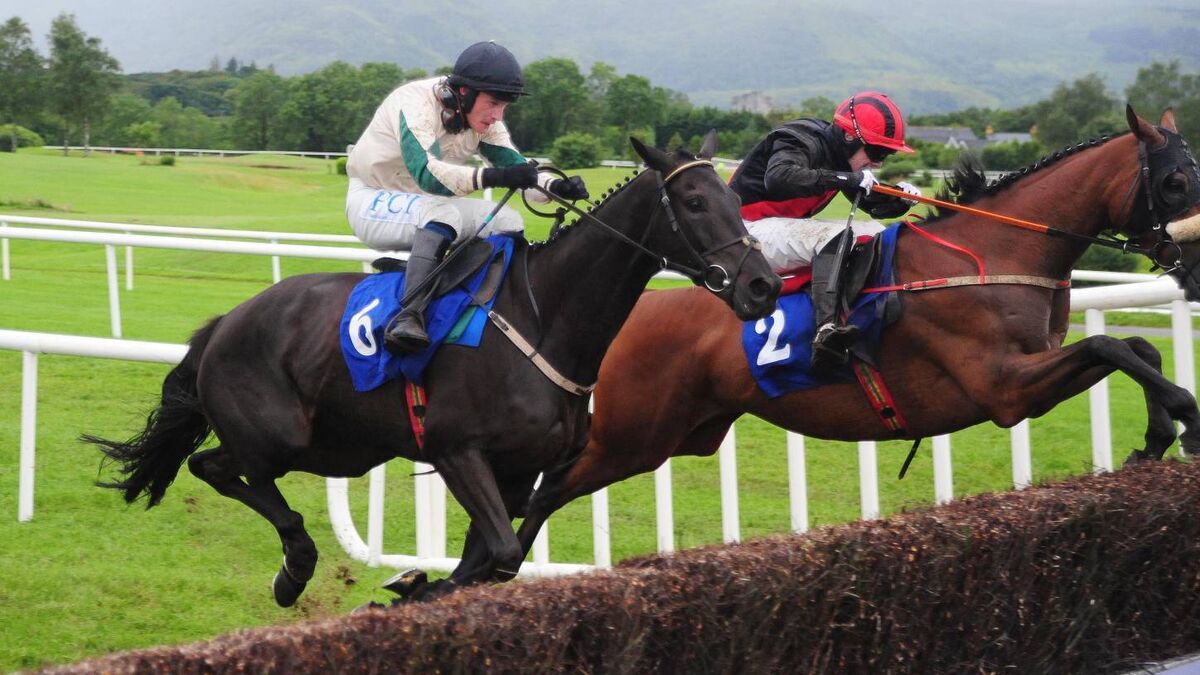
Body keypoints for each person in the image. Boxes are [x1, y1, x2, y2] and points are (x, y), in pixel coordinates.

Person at [345, 41, 590, 355]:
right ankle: (408, 315)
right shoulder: (414, 103)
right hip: (371, 198)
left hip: (426, 204)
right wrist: (492, 177)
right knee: (442, 214)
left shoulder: (483, 120)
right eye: (493, 103)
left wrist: (555, 187)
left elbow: (518, 167)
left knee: (508, 220)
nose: (497, 116)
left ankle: (492, 305)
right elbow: (427, 174)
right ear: (463, 92)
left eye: (504, 106)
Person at [728, 91, 922, 373]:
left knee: (875, 233)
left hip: (772, 230)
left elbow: (870, 204)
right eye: (877, 152)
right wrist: (847, 178)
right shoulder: (799, 138)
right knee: (831, 236)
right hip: (740, 233)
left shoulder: (842, 156)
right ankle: (826, 331)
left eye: (886, 154)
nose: (879, 162)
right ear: (849, 137)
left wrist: (900, 199)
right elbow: (779, 177)